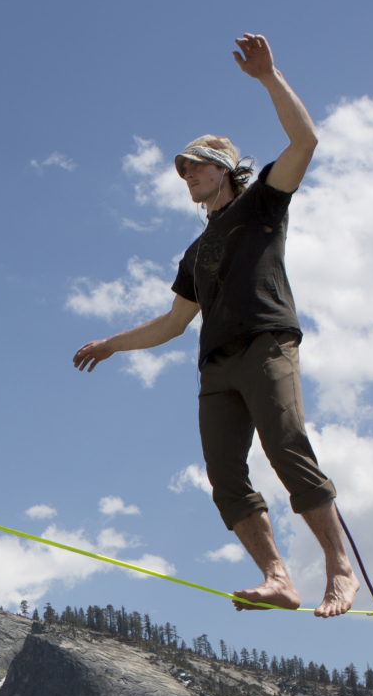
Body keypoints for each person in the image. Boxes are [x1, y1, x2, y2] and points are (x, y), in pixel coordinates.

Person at [72, 33, 357, 618]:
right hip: (216, 367)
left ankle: (339, 567)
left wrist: (268, 78)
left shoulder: (262, 206)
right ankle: (278, 577)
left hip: (266, 344)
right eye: (183, 171)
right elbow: (175, 323)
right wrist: (112, 345)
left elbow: (306, 140)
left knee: (286, 447)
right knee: (224, 477)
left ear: (224, 170)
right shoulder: (194, 253)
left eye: (196, 166)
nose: (187, 175)